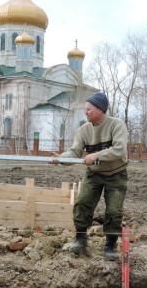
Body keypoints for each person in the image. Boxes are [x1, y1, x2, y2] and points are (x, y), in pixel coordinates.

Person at [49, 92, 128, 261]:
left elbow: (120, 150)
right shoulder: (83, 130)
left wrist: (97, 155)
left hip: (116, 174)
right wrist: (61, 159)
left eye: (88, 109)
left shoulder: (117, 125)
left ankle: (110, 246)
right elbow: (75, 152)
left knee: (114, 210)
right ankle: (81, 238)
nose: (85, 112)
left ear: (100, 109)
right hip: (94, 174)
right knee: (83, 203)